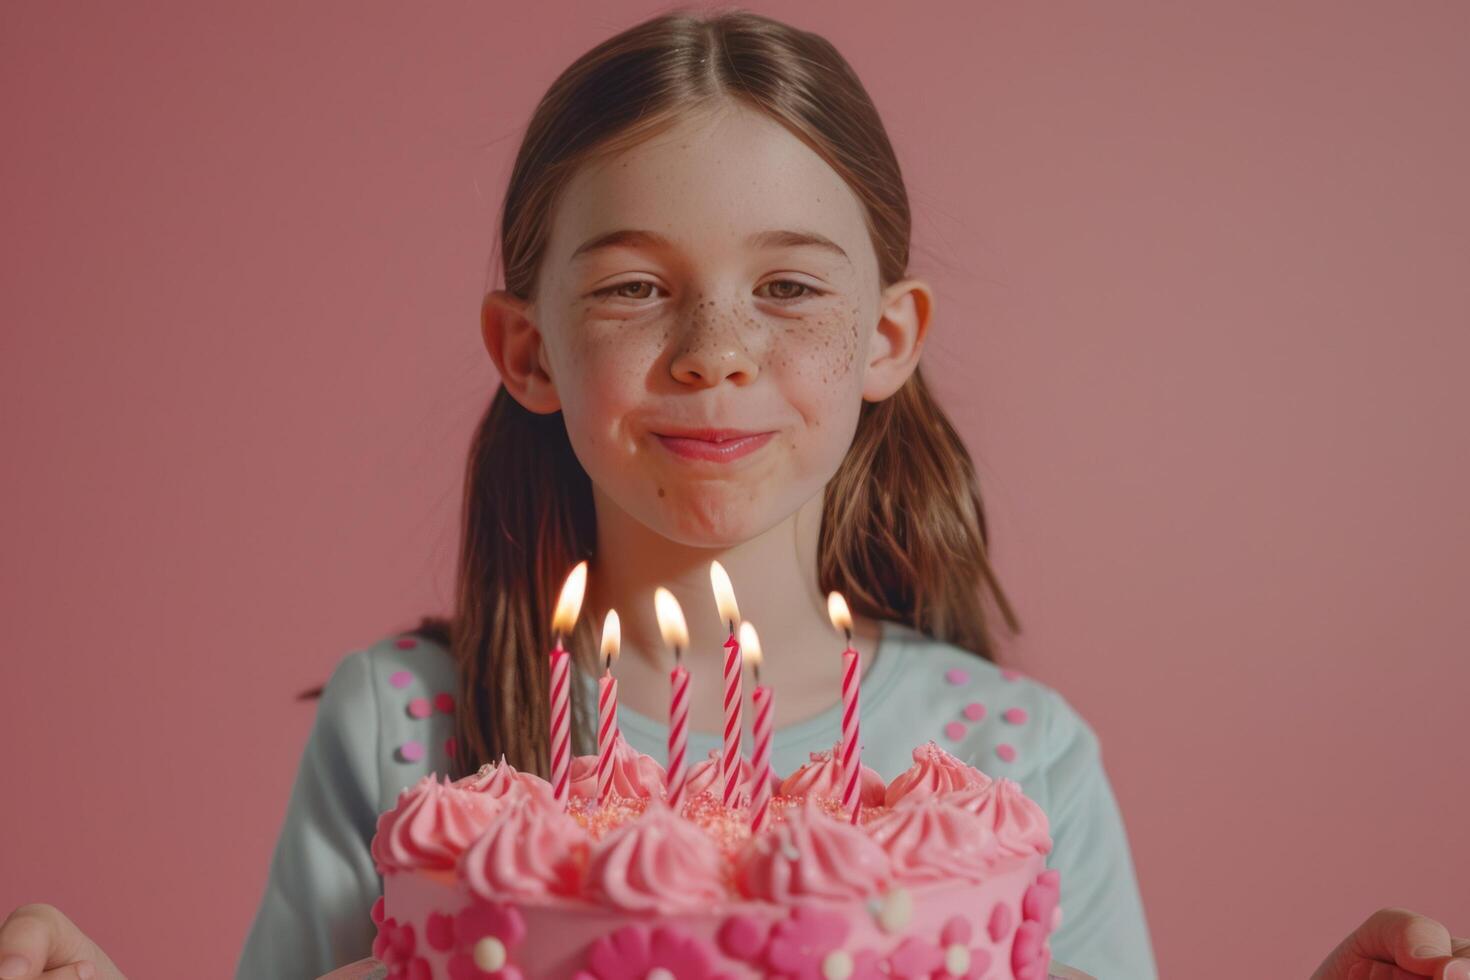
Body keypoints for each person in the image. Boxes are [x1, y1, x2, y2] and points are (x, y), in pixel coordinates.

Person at [1, 9, 1462, 980]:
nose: (714, 355)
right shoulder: (409, 732)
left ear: (887, 339)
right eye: (637, 289)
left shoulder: (1010, 763)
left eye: (786, 290)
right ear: (527, 350)